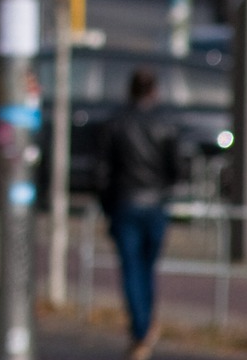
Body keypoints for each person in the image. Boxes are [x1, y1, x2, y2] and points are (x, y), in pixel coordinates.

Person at [96, 67, 186, 360]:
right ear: (154, 92)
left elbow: (102, 171)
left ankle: (141, 327)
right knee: (147, 267)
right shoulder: (165, 124)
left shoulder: (116, 123)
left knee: (131, 268)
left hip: (125, 204)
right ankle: (145, 325)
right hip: (155, 204)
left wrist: (107, 206)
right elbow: (176, 169)